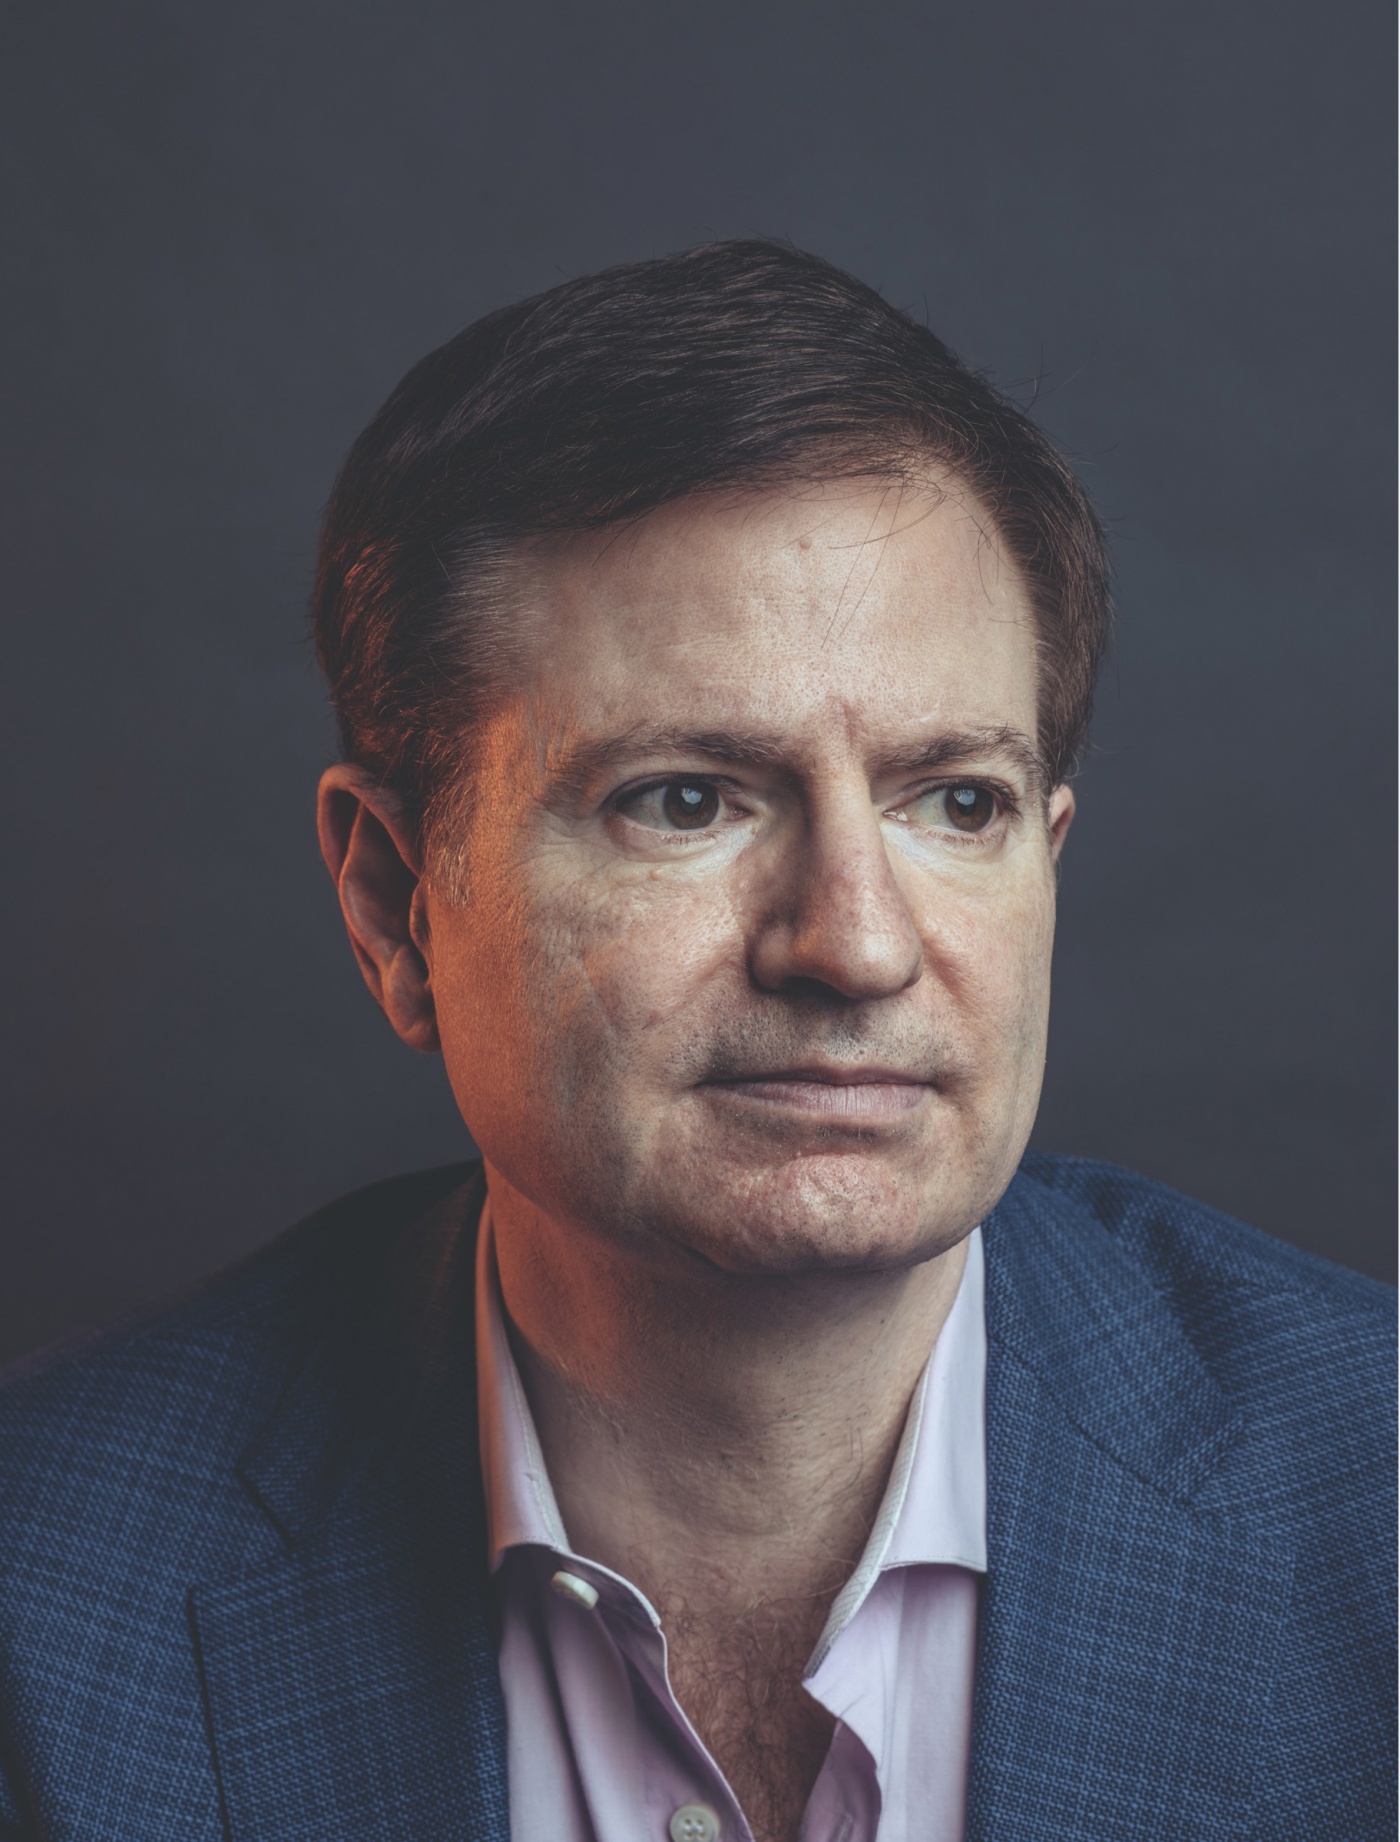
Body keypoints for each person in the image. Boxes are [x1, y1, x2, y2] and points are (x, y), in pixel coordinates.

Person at [0, 242, 1392, 1842]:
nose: (858, 940)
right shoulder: (43, 1605)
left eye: (956, 801)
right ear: (396, 906)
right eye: (686, 798)